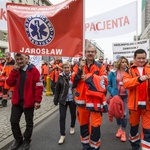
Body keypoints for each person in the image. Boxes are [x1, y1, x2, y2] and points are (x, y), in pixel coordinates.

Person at [71, 44, 107, 150]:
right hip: (82, 100)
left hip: (95, 101)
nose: (90, 53)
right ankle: (85, 146)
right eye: (88, 51)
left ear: (95, 54)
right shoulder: (78, 65)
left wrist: (89, 77)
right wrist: (79, 69)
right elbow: (73, 81)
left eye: (92, 51)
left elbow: (104, 82)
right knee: (83, 125)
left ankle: (95, 147)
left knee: (95, 126)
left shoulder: (101, 66)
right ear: (85, 53)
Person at [6, 53, 43, 150]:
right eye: (17, 59)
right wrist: (13, 72)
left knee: (29, 123)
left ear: (26, 59)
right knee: (13, 121)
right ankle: (18, 139)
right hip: (17, 102)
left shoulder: (33, 70)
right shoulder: (16, 70)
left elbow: (39, 86)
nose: (19, 61)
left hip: (29, 102)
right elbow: (9, 83)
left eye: (21, 59)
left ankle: (27, 140)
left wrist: (37, 101)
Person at [123, 49, 150, 150]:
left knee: (148, 130)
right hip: (134, 106)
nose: (141, 60)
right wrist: (138, 79)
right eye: (139, 58)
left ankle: (146, 148)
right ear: (134, 58)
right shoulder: (128, 70)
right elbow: (126, 84)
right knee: (134, 129)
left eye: (143, 58)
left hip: (148, 106)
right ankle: (134, 147)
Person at [53, 62, 76, 144]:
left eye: (68, 67)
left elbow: (77, 86)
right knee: (62, 117)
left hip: (72, 99)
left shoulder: (73, 75)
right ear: (62, 68)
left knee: (73, 114)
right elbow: (57, 89)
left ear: (70, 68)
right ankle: (62, 134)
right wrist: (55, 99)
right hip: (63, 99)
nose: (66, 69)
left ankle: (72, 126)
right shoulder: (60, 76)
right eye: (65, 67)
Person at [107, 56, 129, 142]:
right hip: (116, 96)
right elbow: (108, 84)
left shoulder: (129, 72)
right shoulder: (113, 72)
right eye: (122, 62)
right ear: (119, 63)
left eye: (125, 62)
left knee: (125, 114)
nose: (124, 63)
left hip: (126, 96)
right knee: (117, 114)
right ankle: (119, 128)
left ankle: (123, 131)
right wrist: (112, 92)